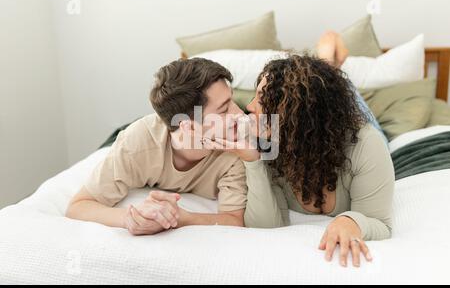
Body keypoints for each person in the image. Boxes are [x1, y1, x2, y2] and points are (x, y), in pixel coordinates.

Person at [206, 32, 395, 268]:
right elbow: (265, 226)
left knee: (354, 110)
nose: (249, 107)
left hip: (341, 130)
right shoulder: (266, 141)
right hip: (311, 128)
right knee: (324, 90)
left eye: (263, 99)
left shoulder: (366, 144)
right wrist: (253, 162)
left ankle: (328, 57)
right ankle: (326, 63)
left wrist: (351, 221)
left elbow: (380, 222)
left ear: (298, 116)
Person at [66, 58, 248, 235]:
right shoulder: (136, 145)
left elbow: (233, 219)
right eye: (224, 110)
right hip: (133, 134)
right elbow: (78, 206)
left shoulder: (236, 150)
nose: (240, 113)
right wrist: (130, 219)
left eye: (233, 101)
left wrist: (181, 218)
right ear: (190, 127)